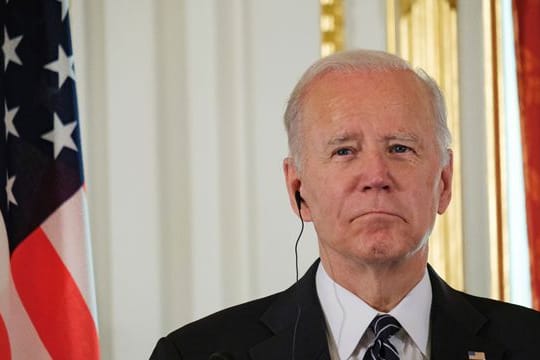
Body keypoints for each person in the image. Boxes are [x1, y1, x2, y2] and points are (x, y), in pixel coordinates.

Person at [150, 49, 540, 360]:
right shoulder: (197, 353)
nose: (375, 175)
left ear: (444, 182)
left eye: (400, 148)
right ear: (298, 190)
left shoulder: (530, 343)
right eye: (344, 151)